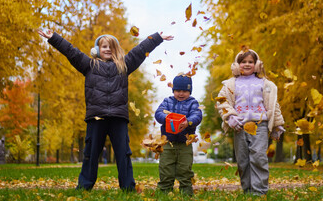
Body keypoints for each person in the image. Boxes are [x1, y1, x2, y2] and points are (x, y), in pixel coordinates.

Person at [37, 29, 173, 191]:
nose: (108, 49)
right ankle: (84, 187)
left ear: (117, 51)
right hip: (96, 117)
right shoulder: (89, 65)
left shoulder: (124, 65)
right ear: (97, 50)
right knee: (91, 154)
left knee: (124, 155)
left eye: (111, 47)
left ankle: (128, 188)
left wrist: (157, 38)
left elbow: (139, 51)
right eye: (104, 47)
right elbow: (71, 51)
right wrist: (54, 38)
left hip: (118, 118)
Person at [216, 49, 285, 196]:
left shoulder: (265, 84)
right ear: (236, 65)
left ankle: (259, 191)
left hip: (259, 124)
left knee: (258, 156)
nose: (247, 64)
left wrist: (277, 125)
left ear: (257, 64)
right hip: (239, 125)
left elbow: (273, 105)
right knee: (243, 159)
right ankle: (248, 190)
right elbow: (222, 102)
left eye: (250, 62)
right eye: (243, 62)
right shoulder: (230, 84)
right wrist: (230, 117)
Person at [154, 74, 202, 195]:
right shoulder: (167, 101)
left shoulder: (193, 103)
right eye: (178, 90)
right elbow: (158, 113)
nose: (181, 94)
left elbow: (197, 116)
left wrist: (188, 122)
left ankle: (186, 191)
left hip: (185, 143)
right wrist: (167, 118)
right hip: (167, 142)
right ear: (173, 90)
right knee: (166, 168)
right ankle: (165, 190)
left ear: (189, 91)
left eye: (185, 91)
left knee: (185, 169)